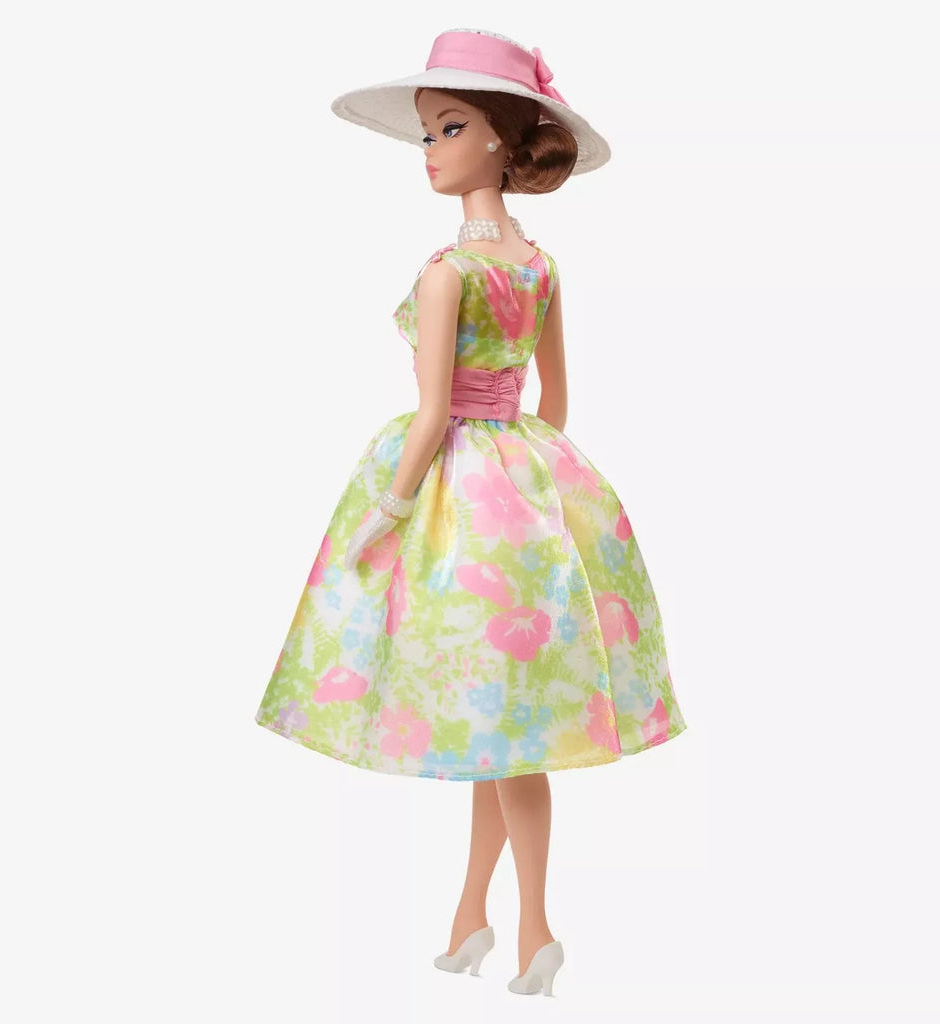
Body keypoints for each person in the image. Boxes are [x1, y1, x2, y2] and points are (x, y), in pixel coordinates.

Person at [254, 27, 688, 997]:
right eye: (426, 132)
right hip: (524, 488)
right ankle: (472, 918)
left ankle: (537, 928)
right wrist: (538, 496)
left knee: (509, 737)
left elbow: (433, 414)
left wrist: (391, 509)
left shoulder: (447, 273)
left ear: (500, 138)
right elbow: (555, 403)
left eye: (449, 128)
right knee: (497, 727)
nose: (430, 149)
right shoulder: (539, 266)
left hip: (454, 495)